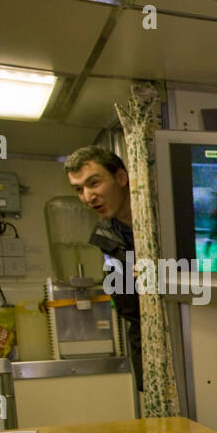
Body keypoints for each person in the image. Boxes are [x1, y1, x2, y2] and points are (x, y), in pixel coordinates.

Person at [65, 145, 142, 391]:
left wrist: (168, 277)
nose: (88, 197)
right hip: (146, 343)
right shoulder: (106, 237)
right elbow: (127, 307)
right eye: (79, 189)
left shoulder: (166, 217)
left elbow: (202, 285)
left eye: (94, 183)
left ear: (121, 177)